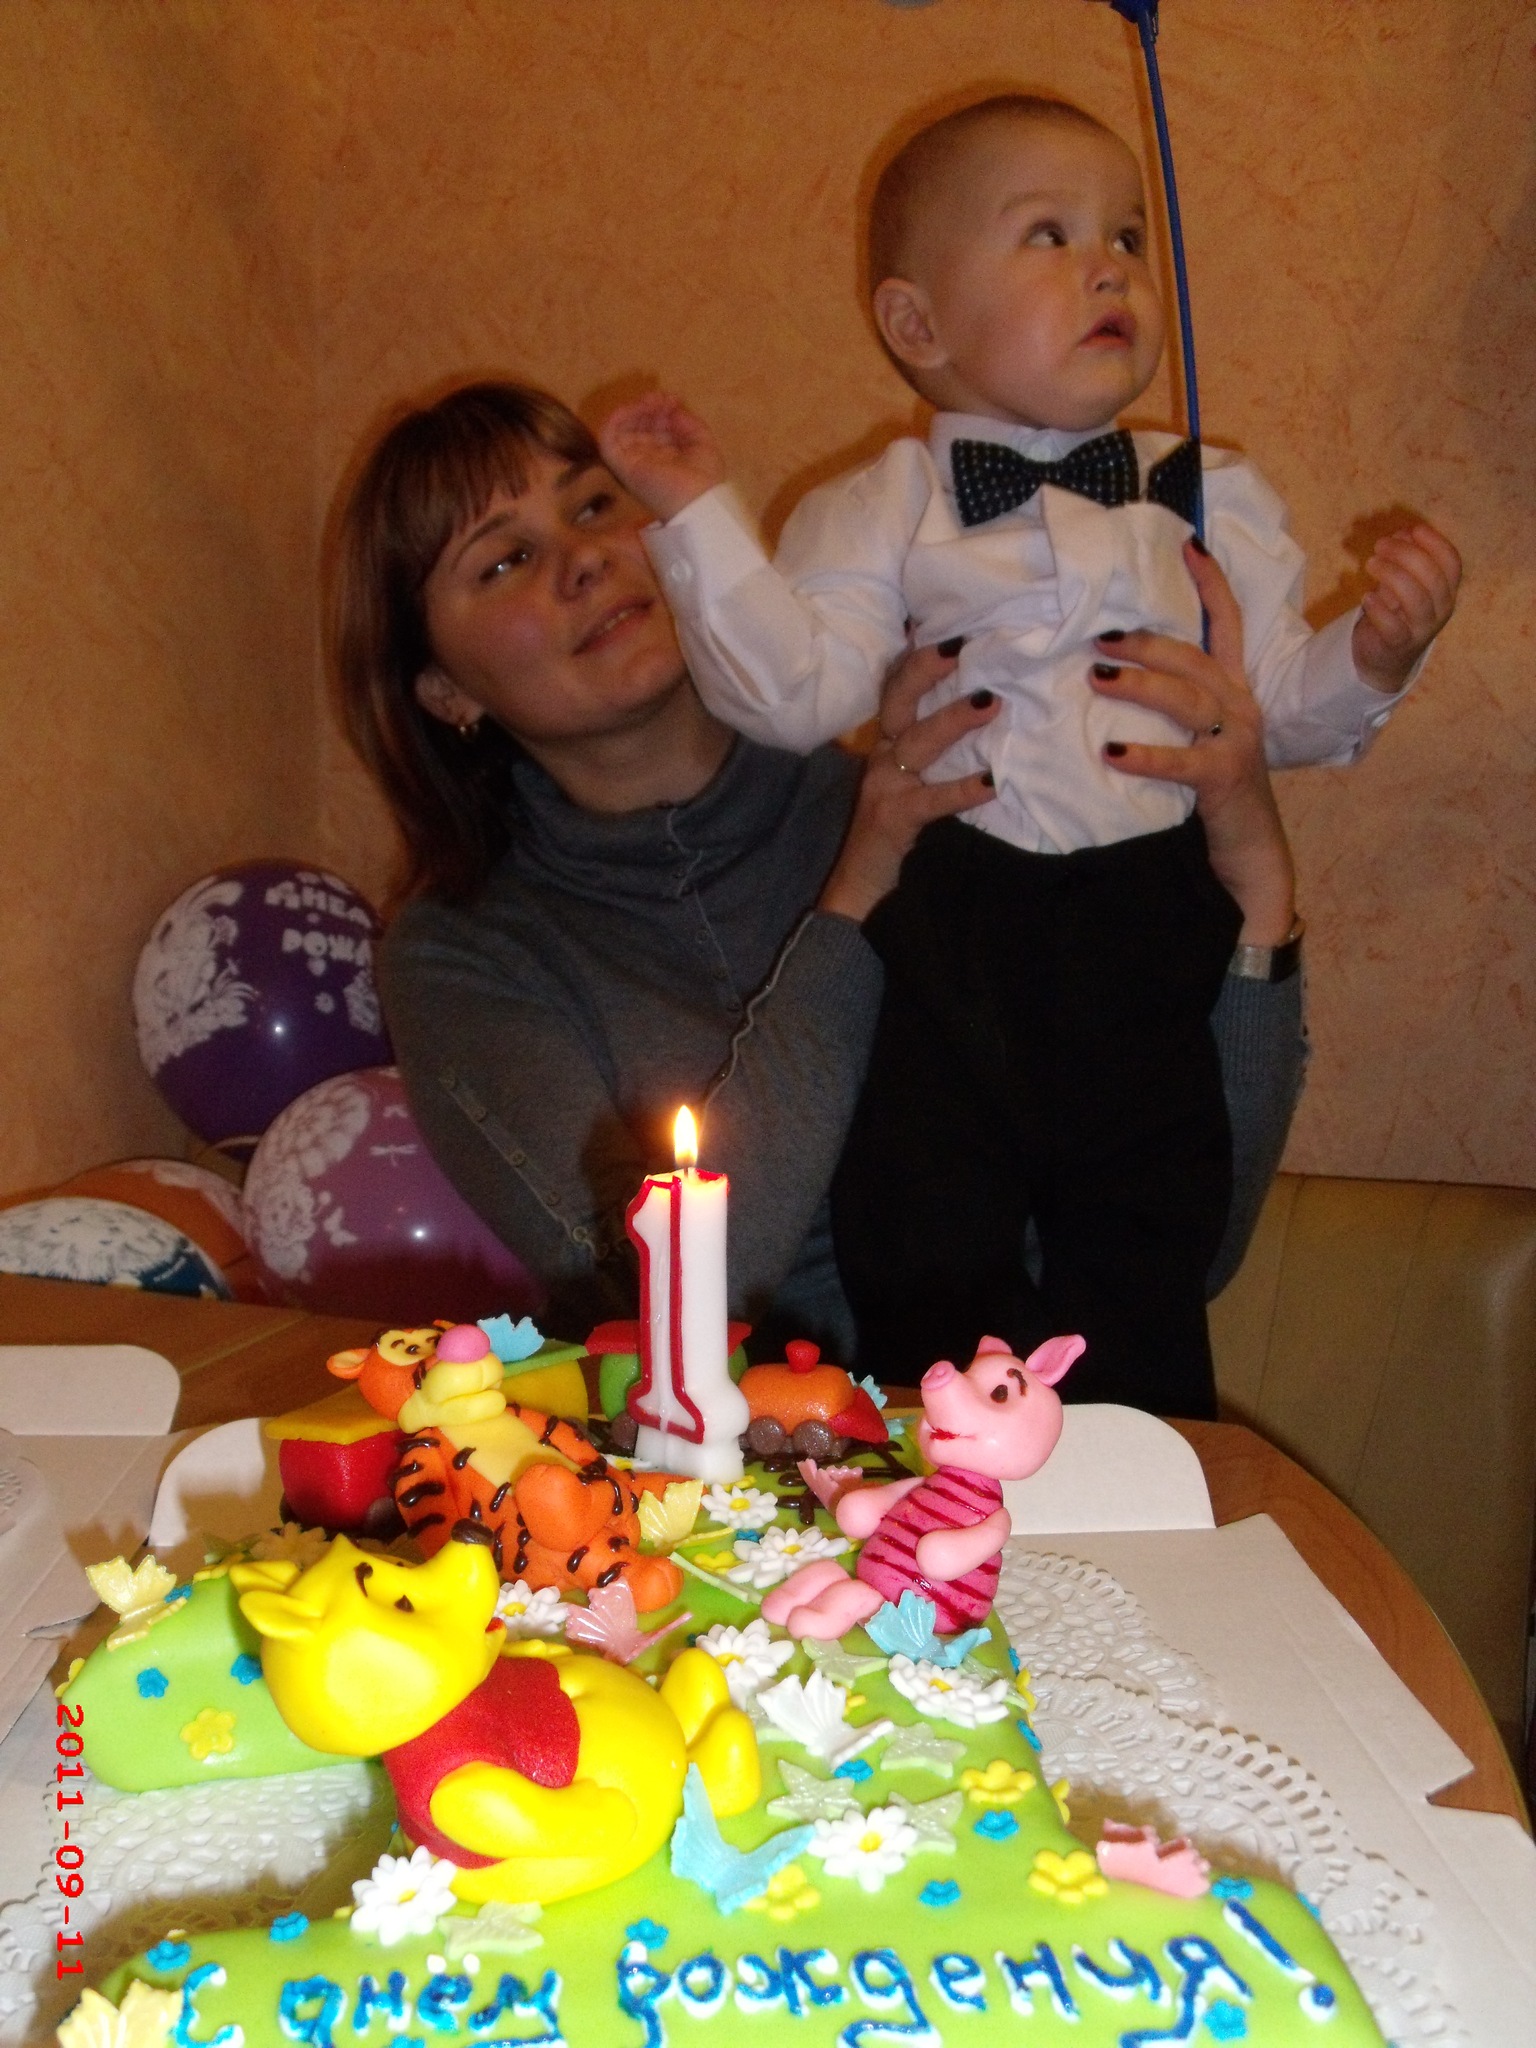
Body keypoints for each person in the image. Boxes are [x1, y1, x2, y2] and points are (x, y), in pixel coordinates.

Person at [599, 94, 1461, 1412]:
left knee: (1149, 1242)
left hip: (1153, 917)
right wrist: (696, 516)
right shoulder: (886, 503)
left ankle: (1142, 1468)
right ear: (918, 327)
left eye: (1127, 235)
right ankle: (936, 1476)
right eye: (1049, 235)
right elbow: (794, 692)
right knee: (922, 1225)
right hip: (956, 915)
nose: (1109, 266)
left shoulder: (1213, 493)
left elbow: (1283, 707)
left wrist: (1379, 650)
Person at [334, 378, 1307, 1399]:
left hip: (1043, 1435)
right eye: (504, 560)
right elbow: (665, 1307)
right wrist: (857, 897)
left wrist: (1257, 874)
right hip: (739, 1482)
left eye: (595, 505)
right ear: (443, 688)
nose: (583, 559)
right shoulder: (462, 954)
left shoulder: (946, 806)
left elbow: (1192, 1250)